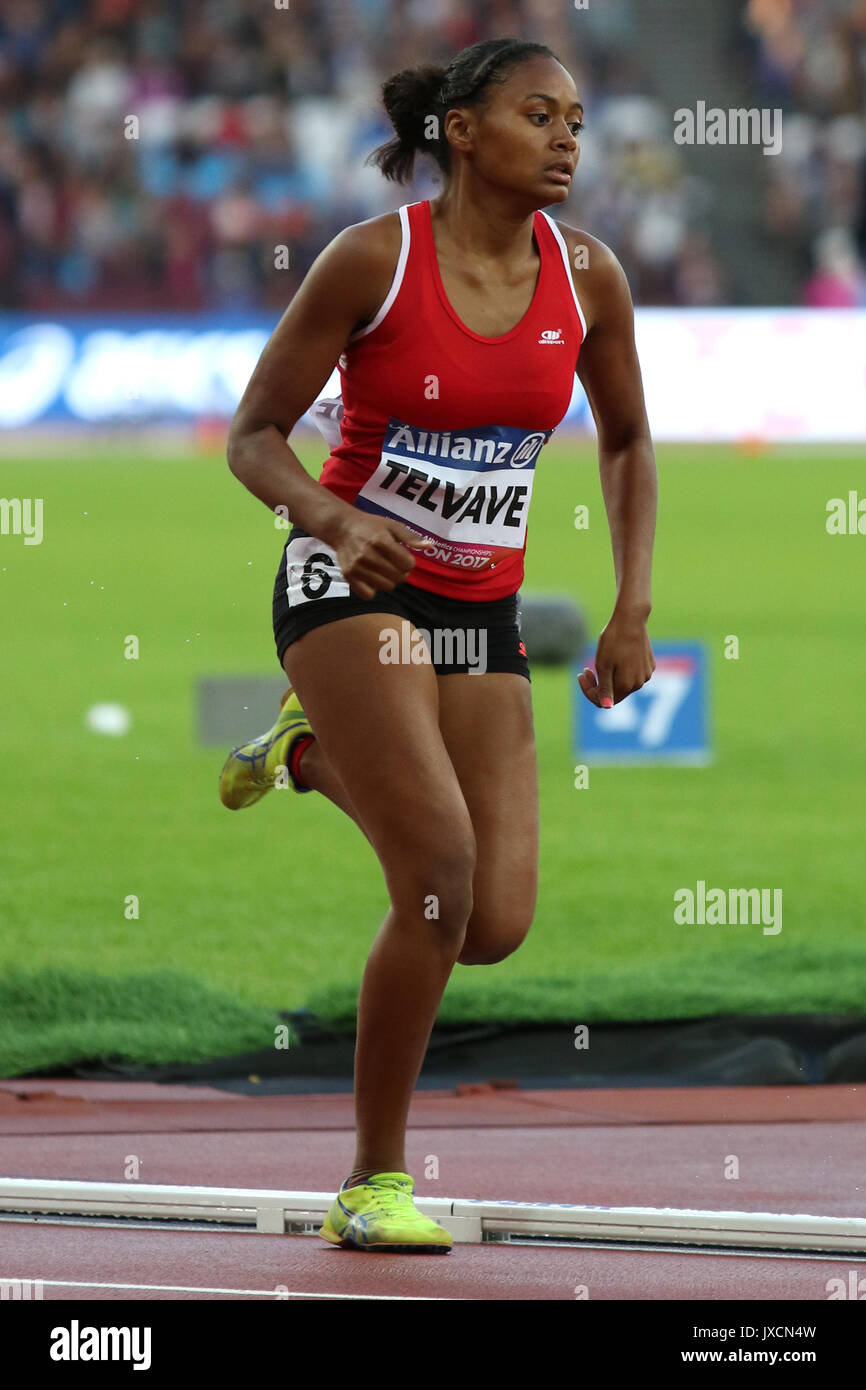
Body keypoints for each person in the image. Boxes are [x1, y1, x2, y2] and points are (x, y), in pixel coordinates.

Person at [219, 37, 657, 1253]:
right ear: (461, 131)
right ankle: (371, 1180)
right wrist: (331, 516)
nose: (568, 136)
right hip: (347, 586)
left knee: (495, 921)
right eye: (539, 114)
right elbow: (253, 434)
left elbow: (624, 442)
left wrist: (629, 608)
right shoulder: (373, 259)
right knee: (435, 885)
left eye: (576, 118)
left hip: (481, 610)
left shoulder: (590, 277)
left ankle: (308, 757)